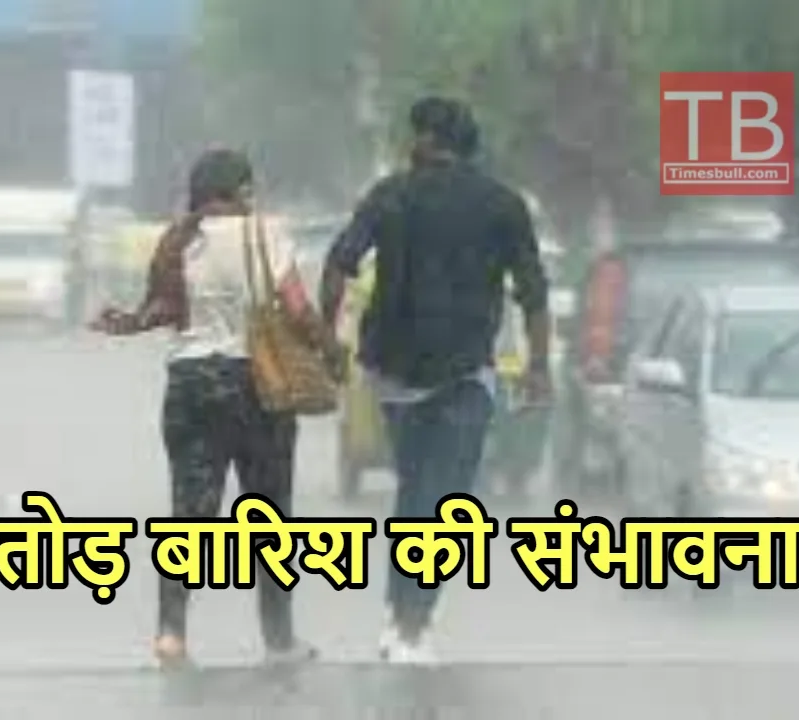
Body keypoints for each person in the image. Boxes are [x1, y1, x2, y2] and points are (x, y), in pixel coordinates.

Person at [319, 97, 553, 664]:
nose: (410, 144)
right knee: (444, 499)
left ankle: (401, 615)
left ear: (428, 139)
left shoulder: (390, 195)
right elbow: (533, 292)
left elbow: (338, 264)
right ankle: (411, 623)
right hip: (464, 371)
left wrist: (330, 340)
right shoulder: (503, 204)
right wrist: (540, 366)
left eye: (414, 134)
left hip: (395, 372)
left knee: (415, 491)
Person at [90, 149, 337, 668]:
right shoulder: (264, 233)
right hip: (257, 386)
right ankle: (279, 641)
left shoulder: (178, 239)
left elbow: (161, 310)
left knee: (188, 516)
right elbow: (296, 307)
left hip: (190, 384)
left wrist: (125, 323)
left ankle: (171, 635)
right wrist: (329, 348)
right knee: (269, 519)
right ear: (240, 190)